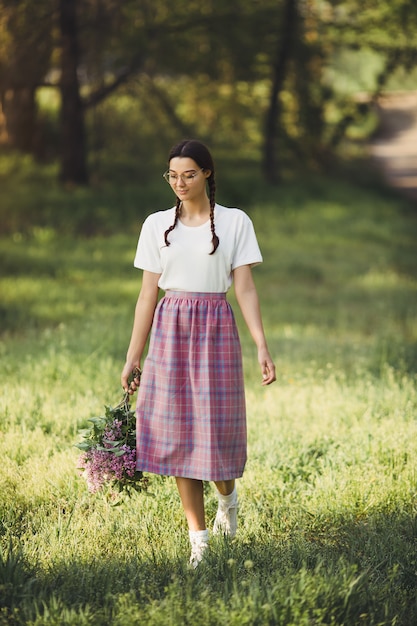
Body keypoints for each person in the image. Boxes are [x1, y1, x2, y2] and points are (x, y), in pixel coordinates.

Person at [121, 139, 276, 568]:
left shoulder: (235, 221)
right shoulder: (155, 225)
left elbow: (244, 287)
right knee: (177, 440)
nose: (180, 183)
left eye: (188, 174)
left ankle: (228, 497)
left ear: (207, 173)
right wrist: (134, 356)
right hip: (170, 331)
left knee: (216, 436)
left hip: (215, 330)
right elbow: (146, 297)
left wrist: (262, 344)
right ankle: (199, 542)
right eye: (172, 175)